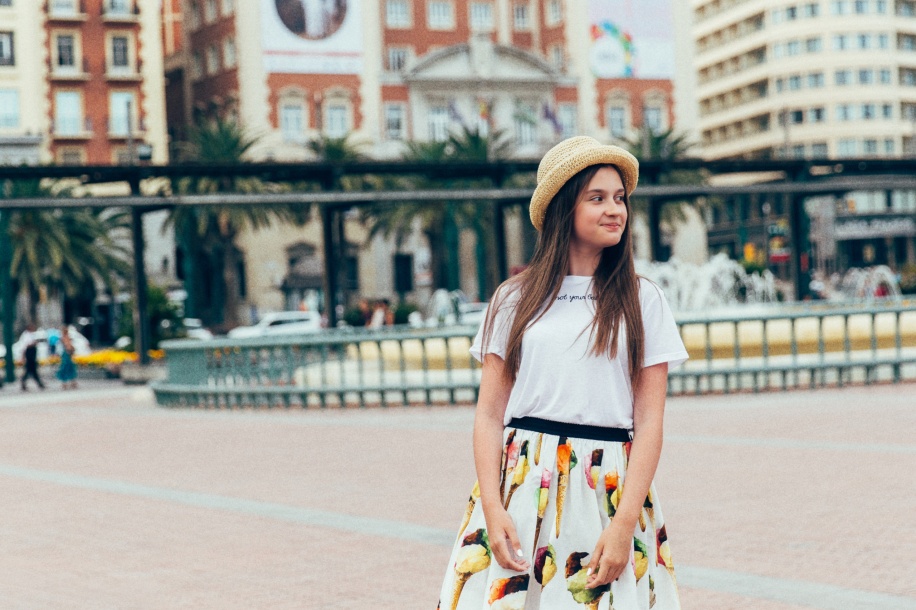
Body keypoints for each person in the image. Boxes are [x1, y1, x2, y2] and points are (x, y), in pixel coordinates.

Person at [437, 136, 689, 610]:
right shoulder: (514, 299)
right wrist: (492, 506)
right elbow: (489, 414)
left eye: (620, 198)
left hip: (607, 487)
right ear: (562, 208)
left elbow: (650, 422)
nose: (614, 210)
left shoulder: (643, 300)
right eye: (597, 198)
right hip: (522, 483)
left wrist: (624, 524)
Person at [19, 324, 45, 391]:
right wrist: (33, 344)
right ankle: (39, 384)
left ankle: (39, 384)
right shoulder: (25, 335)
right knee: (30, 369)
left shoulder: (31, 334)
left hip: (32, 353)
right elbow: (25, 345)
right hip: (29, 353)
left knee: (31, 370)